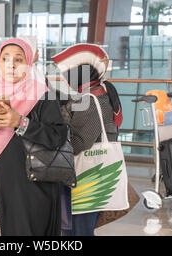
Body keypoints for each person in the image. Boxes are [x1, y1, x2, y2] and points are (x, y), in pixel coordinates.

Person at [0, 38, 67, 236]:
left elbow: (57, 136)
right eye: (5, 59)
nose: (11, 64)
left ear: (28, 63)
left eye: (18, 59)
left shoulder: (42, 96)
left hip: (29, 187)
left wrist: (21, 122)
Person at [52, 43, 123, 236]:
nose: (64, 80)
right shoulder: (101, 93)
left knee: (77, 231)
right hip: (96, 175)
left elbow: (79, 143)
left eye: (66, 76)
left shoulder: (89, 101)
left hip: (86, 178)